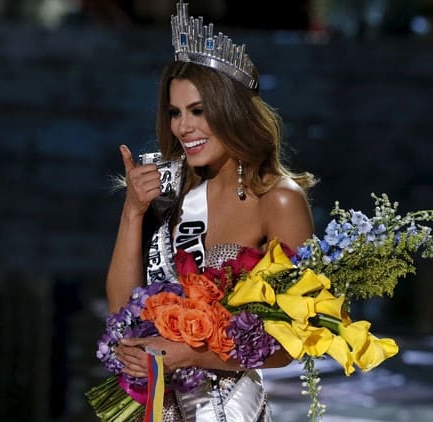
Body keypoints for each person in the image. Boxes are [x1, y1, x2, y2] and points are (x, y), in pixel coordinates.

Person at [104, 3, 317, 420]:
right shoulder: (166, 193)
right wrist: (133, 212)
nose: (183, 127)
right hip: (158, 407)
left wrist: (190, 354)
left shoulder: (278, 199)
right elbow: (120, 314)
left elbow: (297, 340)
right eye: (175, 113)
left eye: (198, 111)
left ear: (231, 111)